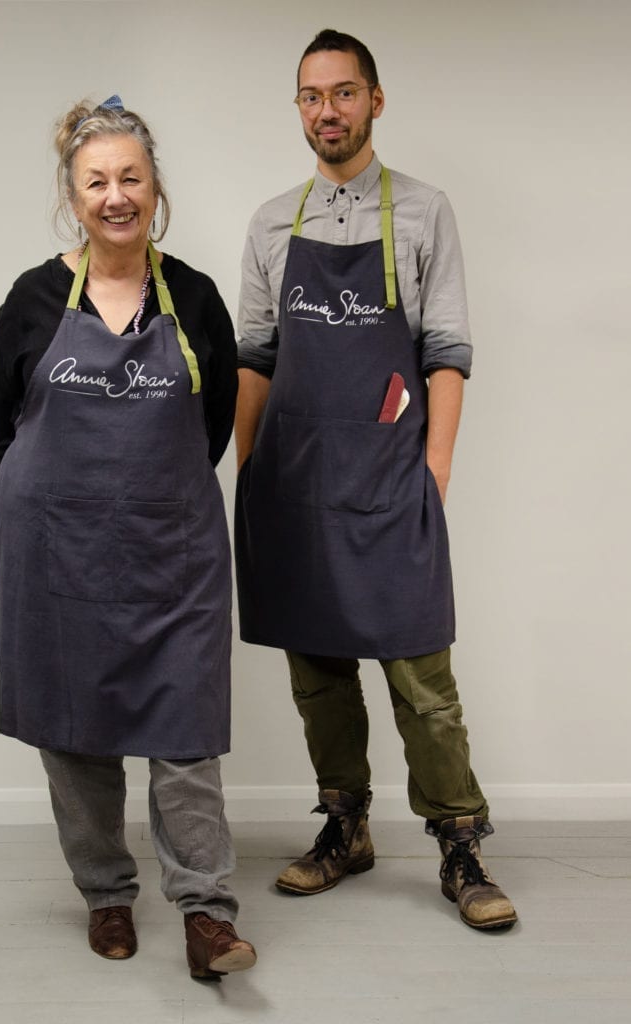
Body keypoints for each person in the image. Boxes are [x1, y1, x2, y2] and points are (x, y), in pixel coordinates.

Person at [234, 30, 517, 931]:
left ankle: (460, 845)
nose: (328, 110)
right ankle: (346, 827)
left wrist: (432, 473)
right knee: (318, 673)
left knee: (421, 677)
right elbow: (254, 357)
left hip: (391, 480)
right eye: (312, 96)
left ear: (375, 101)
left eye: (344, 93)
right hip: (297, 484)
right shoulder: (272, 222)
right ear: (300, 108)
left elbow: (445, 353)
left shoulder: (426, 211)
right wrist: (251, 473)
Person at [0, 95, 257, 978]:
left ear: (154, 189)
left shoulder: (199, 300)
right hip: (58, 556)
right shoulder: (31, 302)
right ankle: (106, 894)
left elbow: (212, 426)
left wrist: (146, 499)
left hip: (172, 556)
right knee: (77, 736)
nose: (115, 196)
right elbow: (7, 425)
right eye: (96, 181)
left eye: (130, 178)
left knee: (185, 739)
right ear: (73, 196)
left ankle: (208, 915)